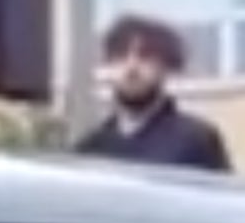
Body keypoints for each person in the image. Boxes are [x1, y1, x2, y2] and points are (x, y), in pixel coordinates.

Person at [74, 14, 233, 173]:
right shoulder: (91, 148)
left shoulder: (196, 140)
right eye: (120, 56)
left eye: (145, 56)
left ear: (166, 66)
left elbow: (223, 196)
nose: (131, 67)